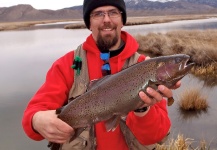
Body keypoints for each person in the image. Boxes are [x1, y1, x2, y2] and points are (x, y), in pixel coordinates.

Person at [22, 0, 181, 149]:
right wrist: (37, 120)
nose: (106, 20)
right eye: (98, 14)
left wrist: (142, 108)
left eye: (113, 12)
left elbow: (156, 136)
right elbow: (32, 115)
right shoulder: (66, 65)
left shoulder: (145, 66)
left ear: (122, 20)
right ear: (89, 23)